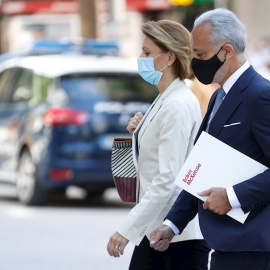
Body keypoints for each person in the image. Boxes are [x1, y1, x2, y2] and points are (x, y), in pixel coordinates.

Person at [150, 8, 270, 270]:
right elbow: (200, 169)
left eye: (200, 54)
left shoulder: (260, 96)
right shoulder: (218, 96)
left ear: (226, 51)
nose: (195, 62)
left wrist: (233, 196)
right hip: (226, 246)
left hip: (254, 249)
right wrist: (172, 225)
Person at [107, 20, 210, 270]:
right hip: (157, 230)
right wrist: (142, 131)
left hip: (177, 236)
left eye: (147, 53)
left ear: (170, 57)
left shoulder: (176, 104)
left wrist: (126, 229)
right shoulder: (166, 98)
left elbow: (167, 178)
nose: (141, 58)